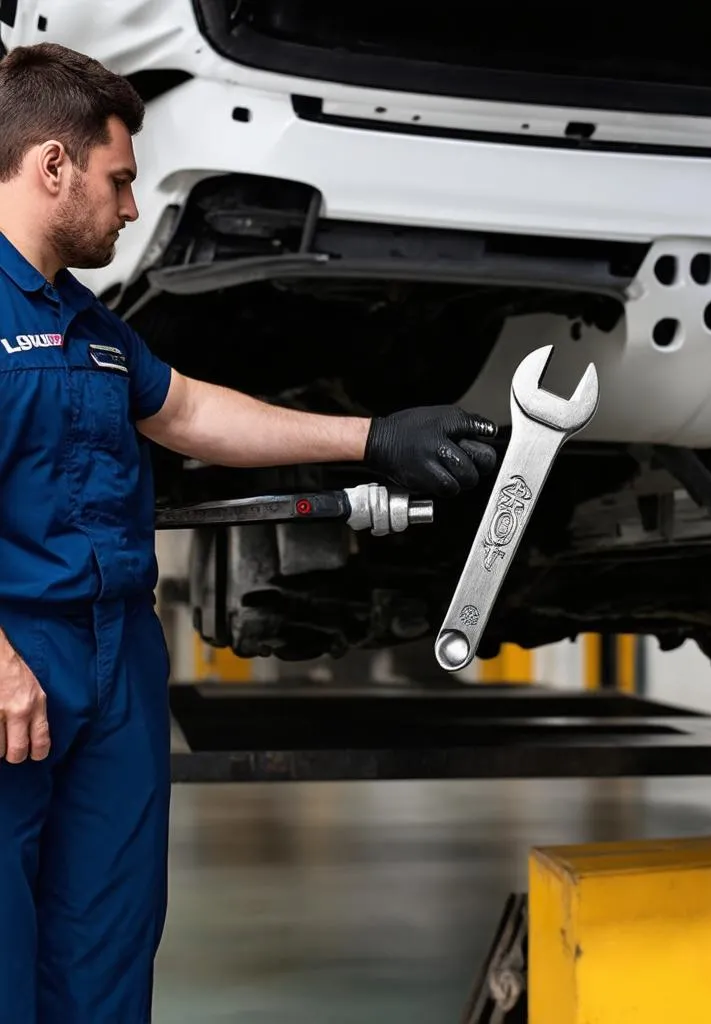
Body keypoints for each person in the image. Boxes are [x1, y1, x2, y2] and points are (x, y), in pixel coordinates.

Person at [0, 41, 498, 1023]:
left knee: (106, 940)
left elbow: (187, 413)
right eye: (119, 180)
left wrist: (374, 436)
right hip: (16, 663)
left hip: (118, 664)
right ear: (52, 167)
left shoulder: (90, 325)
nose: (133, 208)